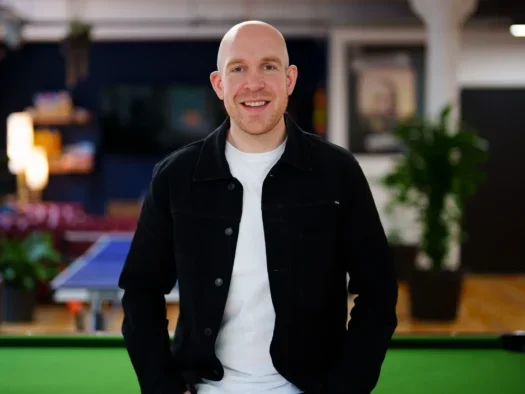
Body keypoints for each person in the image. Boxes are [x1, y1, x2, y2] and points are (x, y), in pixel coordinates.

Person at [118, 20, 398, 394]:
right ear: (219, 84)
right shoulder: (174, 177)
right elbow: (140, 291)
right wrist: (162, 387)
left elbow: (378, 292)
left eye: (269, 66)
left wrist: (346, 387)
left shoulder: (338, 172)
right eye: (238, 69)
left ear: (289, 79)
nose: (254, 84)